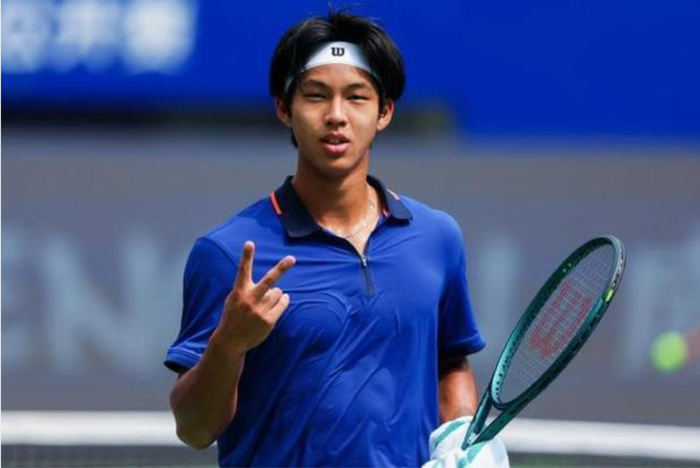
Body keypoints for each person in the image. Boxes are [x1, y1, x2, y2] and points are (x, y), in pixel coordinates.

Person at [165, 10, 503, 467]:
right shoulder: (227, 253)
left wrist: (462, 440)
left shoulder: (437, 237)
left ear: (384, 112)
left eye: (357, 97)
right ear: (284, 108)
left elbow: (451, 363)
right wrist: (229, 342)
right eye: (316, 96)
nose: (336, 116)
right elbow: (194, 429)